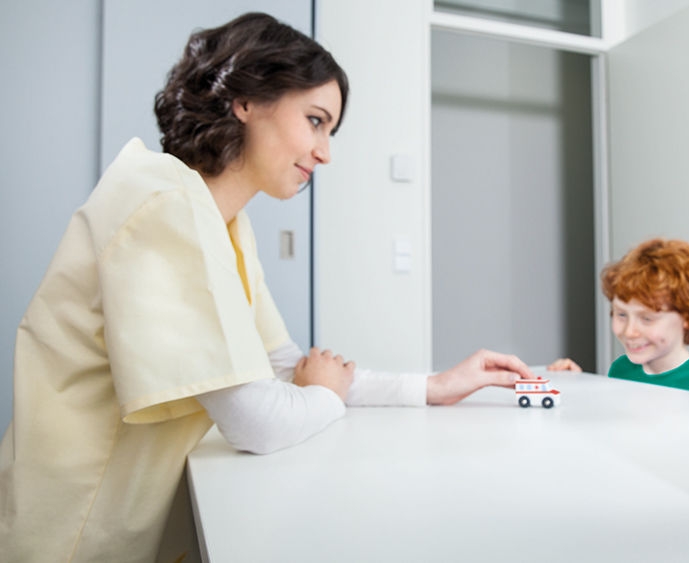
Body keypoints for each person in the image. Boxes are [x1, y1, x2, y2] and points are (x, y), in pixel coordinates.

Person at [0, 13, 535, 563]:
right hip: (72, 533)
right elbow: (256, 419)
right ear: (247, 100)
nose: (325, 152)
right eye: (316, 120)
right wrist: (324, 393)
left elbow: (281, 366)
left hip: (129, 521)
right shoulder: (162, 201)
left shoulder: (222, 220)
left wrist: (435, 386)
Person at [548, 238, 689, 399]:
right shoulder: (620, 369)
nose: (629, 331)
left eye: (647, 319)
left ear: (688, 317)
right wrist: (577, 385)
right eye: (621, 314)